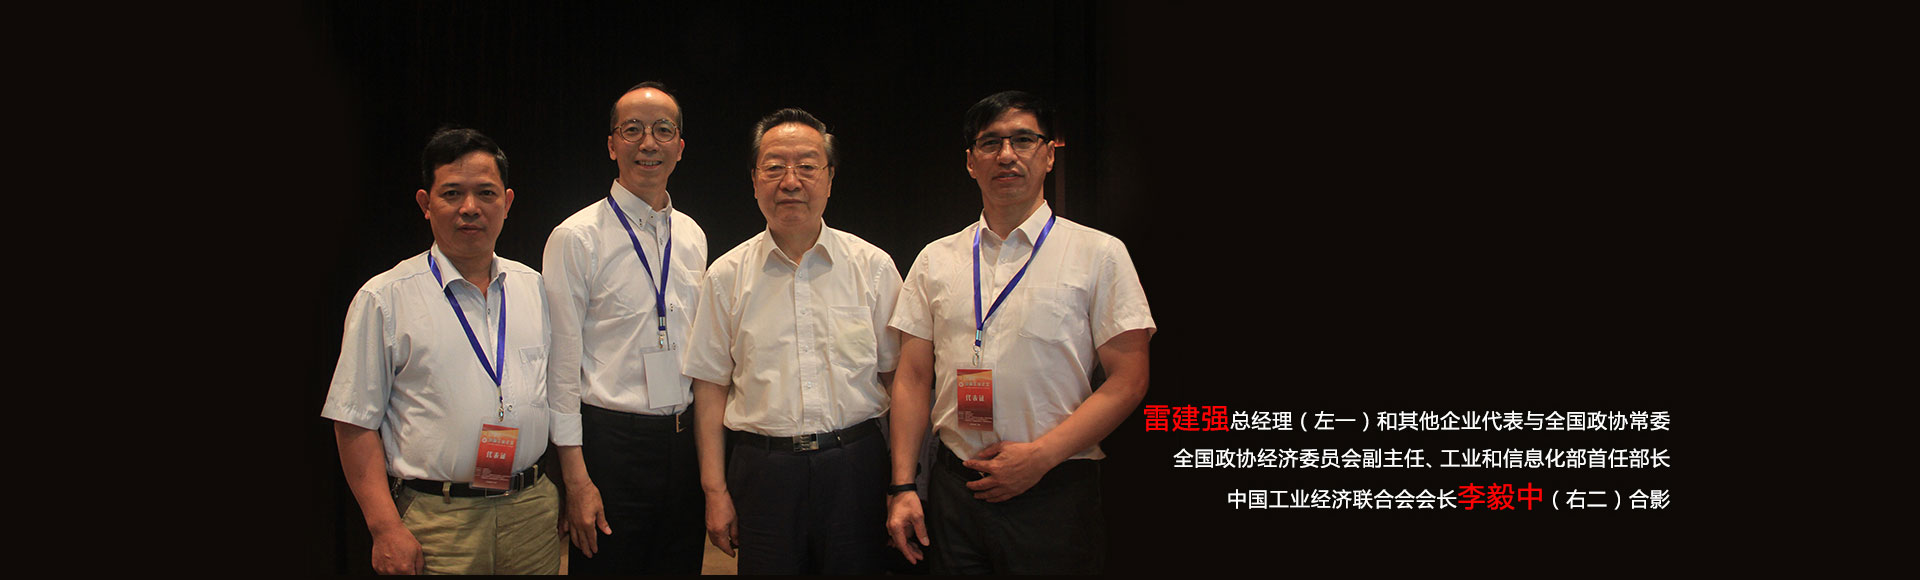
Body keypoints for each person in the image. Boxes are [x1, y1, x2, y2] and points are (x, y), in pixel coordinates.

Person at [883, 90, 1155, 574]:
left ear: (1049, 155)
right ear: (971, 162)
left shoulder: (1099, 254)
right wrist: (903, 485)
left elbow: (1129, 379)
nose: (1006, 154)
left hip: (1054, 489)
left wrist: (1041, 457)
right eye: (990, 143)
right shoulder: (935, 259)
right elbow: (913, 377)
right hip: (955, 487)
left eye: (1024, 140)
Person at [323, 127, 561, 574]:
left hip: (530, 512)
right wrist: (384, 528)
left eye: (486, 193)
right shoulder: (385, 298)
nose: (470, 207)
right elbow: (353, 422)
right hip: (437, 523)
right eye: (452, 193)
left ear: (507, 202)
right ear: (425, 204)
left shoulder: (536, 288)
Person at [682, 108, 903, 574]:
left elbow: (898, 378)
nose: (790, 181)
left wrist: (903, 483)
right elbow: (710, 388)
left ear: (829, 178)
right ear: (754, 180)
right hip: (764, 474)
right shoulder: (726, 276)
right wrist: (714, 491)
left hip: (856, 467)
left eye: (806, 166)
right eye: (774, 167)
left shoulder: (873, 267)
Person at [542, 81, 709, 574]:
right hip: (611, 448)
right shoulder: (576, 237)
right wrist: (575, 479)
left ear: (680, 146)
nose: (648, 143)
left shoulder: (694, 235)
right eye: (632, 130)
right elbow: (561, 369)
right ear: (612, 145)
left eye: (663, 130)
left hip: (684, 444)